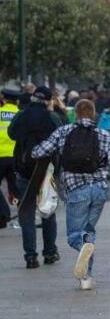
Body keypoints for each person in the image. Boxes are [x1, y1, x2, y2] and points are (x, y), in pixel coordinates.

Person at [32, 99, 110, 290]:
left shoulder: (63, 132)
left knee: (75, 235)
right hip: (99, 190)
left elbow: (39, 152)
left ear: (76, 114)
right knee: (87, 233)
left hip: (76, 191)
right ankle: (86, 278)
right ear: (93, 114)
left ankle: (85, 265)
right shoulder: (105, 135)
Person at [8, 86, 62, 268]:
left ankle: (30, 256)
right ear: (48, 101)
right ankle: (50, 252)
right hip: (46, 171)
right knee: (48, 212)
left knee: (27, 214)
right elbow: (61, 140)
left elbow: (11, 134)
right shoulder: (52, 117)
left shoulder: (21, 115)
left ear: (32, 98)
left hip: (24, 170)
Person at [0, 89, 21, 228]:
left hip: (0, 156)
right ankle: (21, 218)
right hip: (15, 157)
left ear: (4, 99)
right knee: (16, 189)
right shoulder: (20, 114)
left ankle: (4, 213)